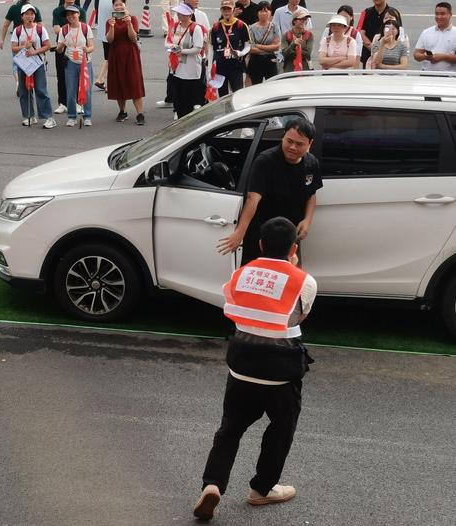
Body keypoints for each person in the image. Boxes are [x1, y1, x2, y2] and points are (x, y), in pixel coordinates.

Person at [192, 216, 317, 521]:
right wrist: (294, 266)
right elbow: (298, 318)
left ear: (260, 245)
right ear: (294, 247)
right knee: (281, 428)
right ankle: (262, 489)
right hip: (281, 373)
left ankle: (213, 485)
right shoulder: (304, 281)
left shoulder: (240, 275)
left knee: (229, 430)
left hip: (241, 368)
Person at [217, 118, 322, 265]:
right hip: (261, 235)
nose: (292, 147)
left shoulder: (311, 164)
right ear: (283, 136)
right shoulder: (265, 161)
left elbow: (311, 195)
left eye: (299, 144)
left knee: (289, 279)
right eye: (289, 141)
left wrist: (307, 220)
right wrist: (240, 233)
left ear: (309, 143)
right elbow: (253, 199)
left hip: (289, 236)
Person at [11, 4, 56, 128]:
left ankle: (48, 117)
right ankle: (29, 116)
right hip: (23, 64)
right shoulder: (18, 30)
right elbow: (13, 48)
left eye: (32, 14)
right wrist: (24, 47)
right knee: (24, 91)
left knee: (41, 90)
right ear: (22, 16)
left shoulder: (40, 29)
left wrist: (35, 52)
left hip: (38, 63)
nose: (30, 16)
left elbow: (47, 45)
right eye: (27, 14)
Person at [106, 0, 145, 124]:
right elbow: (110, 40)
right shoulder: (110, 21)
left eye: (120, 4)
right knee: (118, 82)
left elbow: (133, 38)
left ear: (125, 5)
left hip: (130, 52)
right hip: (115, 53)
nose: (118, 7)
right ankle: (122, 111)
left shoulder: (132, 18)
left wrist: (129, 24)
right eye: (116, 5)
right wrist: (111, 26)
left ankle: (140, 114)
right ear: (113, 7)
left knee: (134, 82)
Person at [56, 4, 94, 126]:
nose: (70, 16)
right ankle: (72, 116)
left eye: (73, 13)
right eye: (68, 15)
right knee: (71, 90)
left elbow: (92, 46)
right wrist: (62, 45)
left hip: (85, 62)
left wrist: (87, 49)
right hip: (70, 62)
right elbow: (59, 50)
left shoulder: (86, 28)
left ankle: (87, 116)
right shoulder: (64, 30)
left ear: (78, 14)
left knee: (86, 89)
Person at [167, 3, 203, 119]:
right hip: (177, 68)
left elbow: (198, 48)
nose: (179, 15)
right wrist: (172, 47)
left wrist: (182, 51)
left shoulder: (196, 28)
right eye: (178, 13)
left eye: (182, 14)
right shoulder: (176, 26)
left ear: (189, 15)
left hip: (190, 70)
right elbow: (168, 41)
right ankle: (179, 118)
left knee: (188, 100)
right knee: (178, 99)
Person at [0, 0, 43, 95]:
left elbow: (6, 25)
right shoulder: (35, 9)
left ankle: (19, 82)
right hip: (33, 42)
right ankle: (31, 83)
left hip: (18, 40)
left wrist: (2, 40)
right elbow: (40, 26)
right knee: (33, 63)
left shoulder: (14, 8)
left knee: (16, 64)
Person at [210, 0, 251, 96]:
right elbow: (212, 48)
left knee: (237, 94)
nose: (226, 12)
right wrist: (210, 68)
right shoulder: (216, 27)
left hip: (236, 66)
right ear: (221, 11)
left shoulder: (241, 25)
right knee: (222, 96)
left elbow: (248, 46)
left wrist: (240, 53)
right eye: (224, 10)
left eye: (229, 9)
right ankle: (226, 111)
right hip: (220, 67)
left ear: (233, 10)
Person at [52, 0, 86, 115]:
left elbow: (83, 27)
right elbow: (56, 29)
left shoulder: (80, 10)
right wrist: (69, 30)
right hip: (61, 45)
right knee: (61, 75)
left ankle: (77, 102)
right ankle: (62, 103)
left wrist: (67, 30)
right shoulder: (57, 11)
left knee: (77, 76)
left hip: (77, 47)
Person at [414, 2, 456, 72]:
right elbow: (416, 55)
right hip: (427, 76)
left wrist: (443, 57)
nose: (439, 17)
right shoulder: (426, 32)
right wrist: (426, 57)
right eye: (437, 14)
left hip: (449, 77)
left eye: (442, 14)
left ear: (450, 15)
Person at [357, 0, 397, 68]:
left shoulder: (394, 13)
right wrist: (373, 48)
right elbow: (360, 32)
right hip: (368, 55)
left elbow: (398, 32)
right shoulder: (365, 12)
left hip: (390, 55)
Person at [247, 2, 280, 84]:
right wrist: (269, 48)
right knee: (256, 85)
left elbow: (277, 46)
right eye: (261, 11)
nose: (264, 13)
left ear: (270, 13)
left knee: (272, 85)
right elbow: (251, 49)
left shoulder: (274, 27)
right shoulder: (251, 28)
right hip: (255, 61)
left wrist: (259, 46)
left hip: (271, 60)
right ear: (257, 13)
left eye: (266, 11)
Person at [280, 7, 311, 72]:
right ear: (294, 21)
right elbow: (285, 54)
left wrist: (292, 51)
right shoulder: (286, 35)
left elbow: (308, 55)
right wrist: (293, 44)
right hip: (289, 68)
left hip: (304, 68)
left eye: (305, 19)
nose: (303, 21)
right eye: (301, 19)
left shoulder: (309, 35)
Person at [93, 0, 113, 90]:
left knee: (108, 57)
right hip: (112, 32)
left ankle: (100, 79)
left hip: (103, 31)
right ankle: (109, 84)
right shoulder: (115, 2)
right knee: (112, 58)